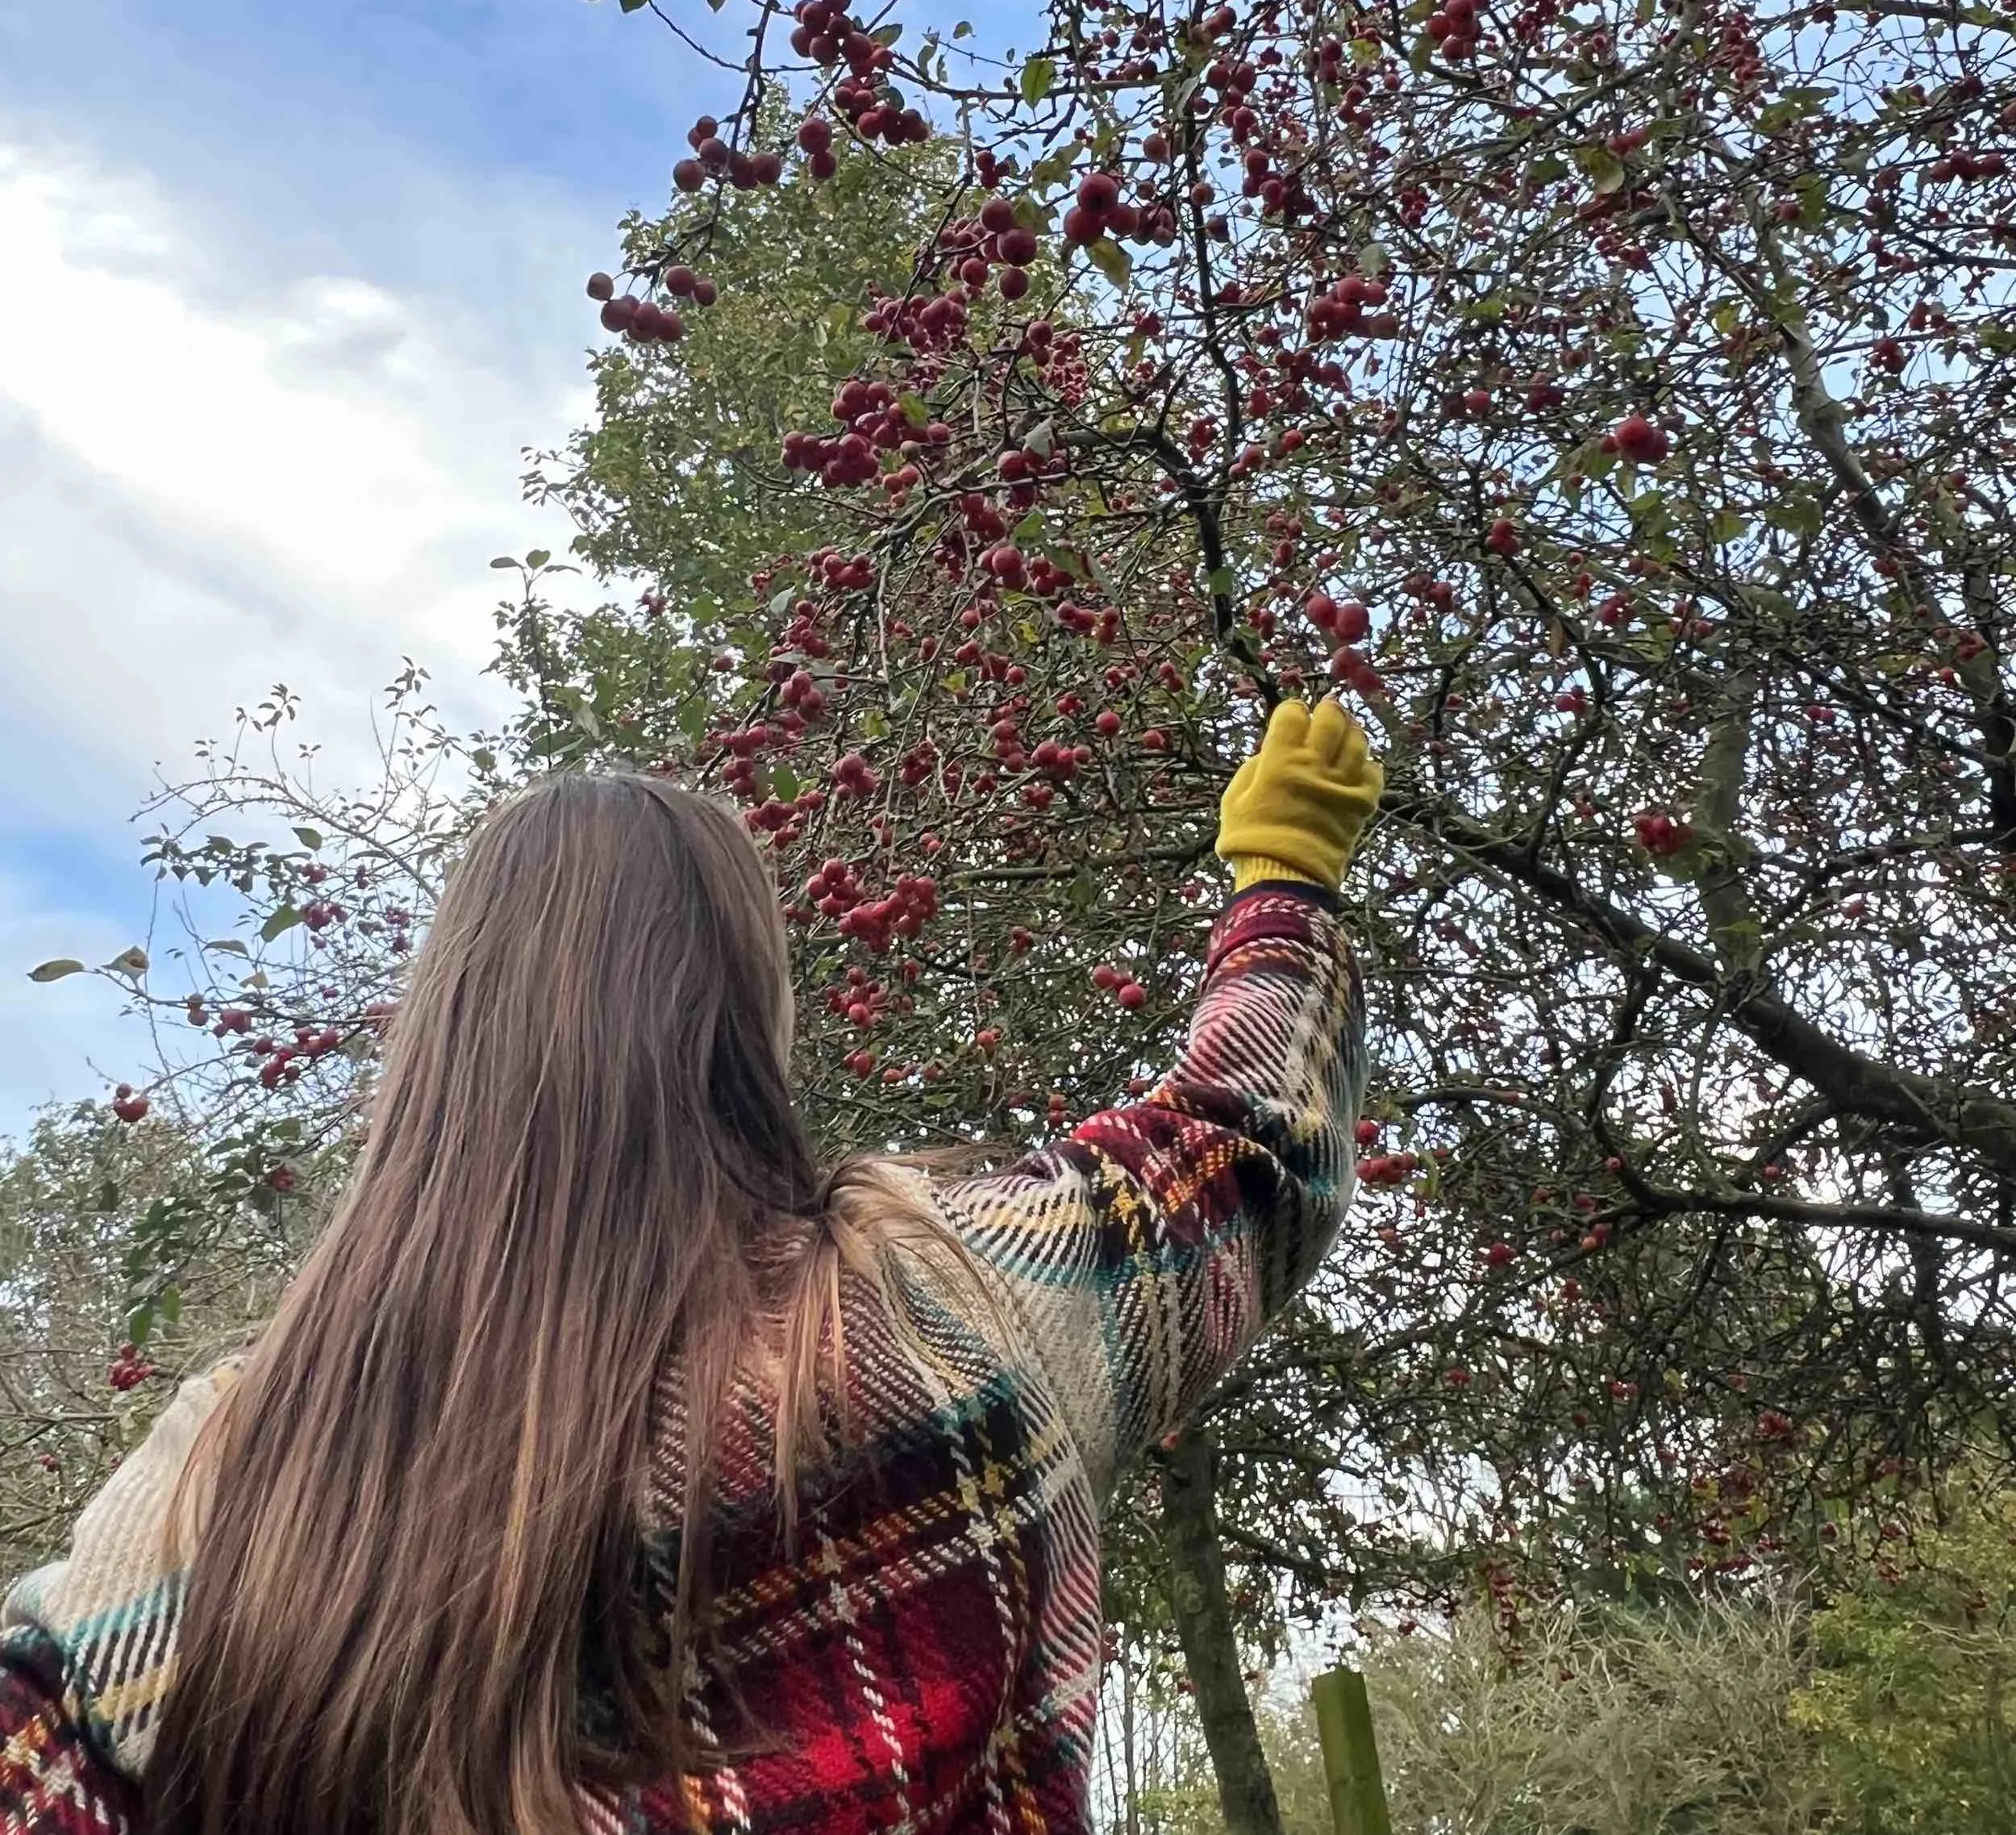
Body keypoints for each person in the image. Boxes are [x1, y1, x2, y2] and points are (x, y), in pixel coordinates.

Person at [0, 696, 1381, 1835]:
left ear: (439, 1050)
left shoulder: (225, 1478)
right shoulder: (943, 1313)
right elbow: (1242, 1147)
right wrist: (1286, 878)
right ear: (743, 1027)